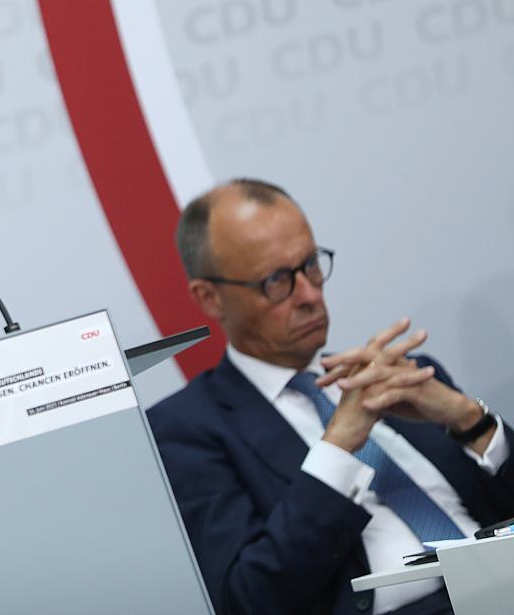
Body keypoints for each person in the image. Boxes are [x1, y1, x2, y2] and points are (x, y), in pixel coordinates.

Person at [148, 179, 514, 615]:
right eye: (276, 281)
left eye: (311, 265)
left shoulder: (404, 380)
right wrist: (338, 447)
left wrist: (470, 420)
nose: (309, 294)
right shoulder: (186, 430)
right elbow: (249, 598)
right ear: (210, 298)